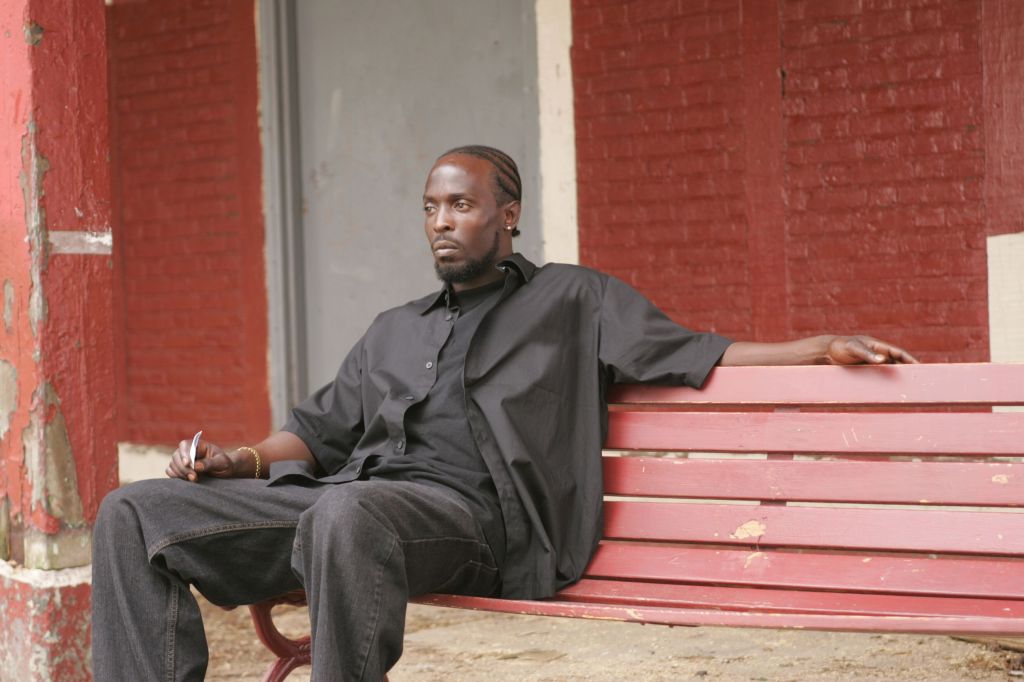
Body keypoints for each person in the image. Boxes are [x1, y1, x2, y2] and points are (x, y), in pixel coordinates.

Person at [91, 145, 917, 681]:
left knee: (347, 511)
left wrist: (813, 349)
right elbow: (317, 430)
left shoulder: (571, 299)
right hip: (344, 512)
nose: (441, 224)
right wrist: (239, 459)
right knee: (134, 512)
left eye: (460, 206)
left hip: (471, 523)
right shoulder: (397, 327)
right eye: (429, 208)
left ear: (508, 216)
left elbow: (690, 350)